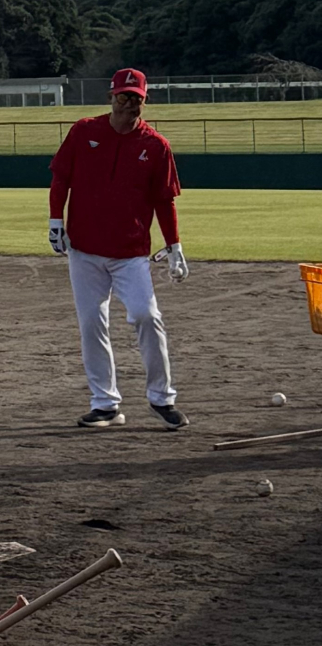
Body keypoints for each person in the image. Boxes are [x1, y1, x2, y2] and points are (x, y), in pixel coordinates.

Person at [48, 68, 189, 431]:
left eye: (136, 98)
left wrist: (173, 246)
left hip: (131, 253)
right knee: (92, 323)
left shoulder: (156, 145)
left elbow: (164, 200)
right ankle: (105, 404)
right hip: (84, 249)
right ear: (111, 97)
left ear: (145, 101)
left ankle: (162, 398)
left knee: (147, 316)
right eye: (123, 96)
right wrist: (55, 221)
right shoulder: (84, 132)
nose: (129, 104)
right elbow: (61, 177)